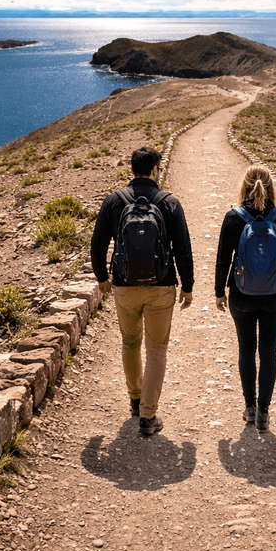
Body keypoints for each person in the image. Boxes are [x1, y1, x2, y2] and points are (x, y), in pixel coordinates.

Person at [91, 146, 194, 436]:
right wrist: (187, 286)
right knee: (157, 350)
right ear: (155, 170)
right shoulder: (169, 202)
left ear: (133, 170)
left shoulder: (114, 201)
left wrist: (102, 279)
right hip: (161, 287)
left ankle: (135, 400)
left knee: (130, 343)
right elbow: (183, 249)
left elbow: (97, 245)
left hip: (124, 287)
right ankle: (148, 417)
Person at [215, 165, 276, 431]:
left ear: (244, 185)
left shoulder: (233, 217)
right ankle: (265, 412)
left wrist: (220, 291)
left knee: (246, 348)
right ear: (272, 187)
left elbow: (223, 260)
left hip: (241, 294)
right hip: (275, 296)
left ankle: (250, 408)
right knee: (268, 351)